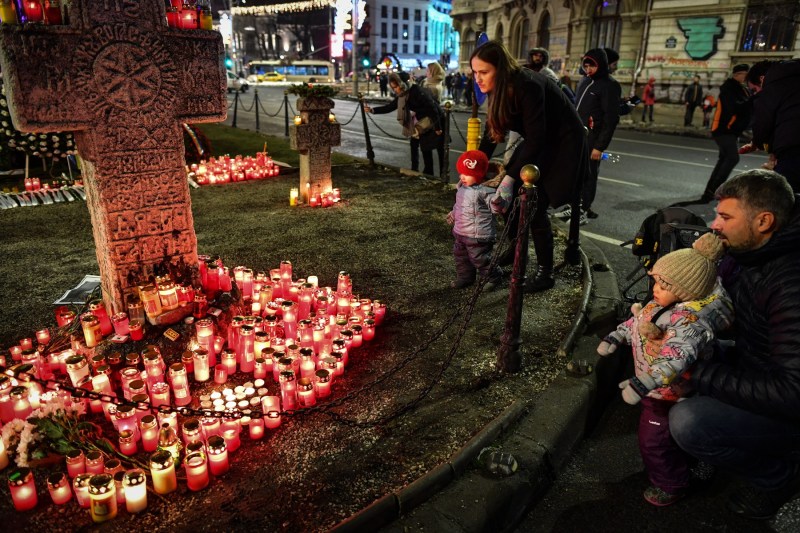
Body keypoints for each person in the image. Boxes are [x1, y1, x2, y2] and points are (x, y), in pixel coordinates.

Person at [669, 169, 800, 520]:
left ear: (764, 221)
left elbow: (792, 391)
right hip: (761, 369)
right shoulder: (752, 256)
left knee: (688, 421)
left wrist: (699, 375)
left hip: (788, 403)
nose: (714, 225)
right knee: (669, 361)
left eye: (725, 216)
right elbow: (748, 336)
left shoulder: (789, 281)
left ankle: (780, 477)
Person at [598, 232, 733, 506]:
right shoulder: (663, 304)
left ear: (685, 291)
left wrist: (644, 381)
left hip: (664, 392)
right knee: (670, 436)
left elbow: (676, 357)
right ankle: (690, 462)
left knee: (653, 442)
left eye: (663, 283)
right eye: (655, 281)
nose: (655, 288)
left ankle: (670, 484)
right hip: (659, 388)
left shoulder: (688, 324)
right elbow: (640, 323)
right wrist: (617, 335)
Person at [472, 40, 588, 291]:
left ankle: (545, 273)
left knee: (534, 203)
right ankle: (517, 252)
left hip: (562, 142)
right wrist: (474, 166)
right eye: (475, 72)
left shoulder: (528, 84)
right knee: (510, 200)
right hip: (542, 140)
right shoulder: (500, 87)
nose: (478, 79)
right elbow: (494, 132)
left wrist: (510, 178)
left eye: (483, 72)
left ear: (500, 69)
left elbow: (538, 138)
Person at [446, 150, 515, 289]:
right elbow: (459, 205)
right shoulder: (462, 187)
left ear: (478, 175)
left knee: (480, 259)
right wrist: (454, 213)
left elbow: (495, 208)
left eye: (467, 174)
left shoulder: (485, 191)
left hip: (479, 235)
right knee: (461, 257)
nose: (462, 177)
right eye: (461, 173)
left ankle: (494, 277)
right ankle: (465, 277)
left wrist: (497, 201)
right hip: (461, 231)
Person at [365, 72, 445, 176]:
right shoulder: (403, 95)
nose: (394, 90)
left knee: (438, 149)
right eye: (393, 88)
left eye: (395, 87)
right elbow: (390, 107)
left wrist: (438, 128)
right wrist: (372, 110)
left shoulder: (417, 91)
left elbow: (432, 108)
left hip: (435, 120)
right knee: (423, 147)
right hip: (421, 122)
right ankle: (423, 172)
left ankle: (441, 175)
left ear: (402, 84)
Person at [572, 48, 620, 221]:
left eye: (592, 66)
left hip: (593, 139)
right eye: (586, 66)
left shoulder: (609, 85)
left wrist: (600, 147)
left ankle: (584, 208)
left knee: (589, 175)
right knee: (576, 173)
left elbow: (610, 119)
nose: (588, 69)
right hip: (578, 137)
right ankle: (575, 205)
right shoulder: (585, 81)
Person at [741, 59, 800, 192]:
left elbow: (764, 122)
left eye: (754, 90)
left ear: (762, 79)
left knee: (784, 197)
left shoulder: (773, 85)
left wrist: (757, 142)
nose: (755, 94)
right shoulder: (793, 79)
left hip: (793, 151)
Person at [700, 64, 752, 202]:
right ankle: (714, 191)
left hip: (731, 130)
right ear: (738, 74)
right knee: (732, 158)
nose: (746, 78)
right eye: (745, 75)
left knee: (724, 159)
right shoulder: (729, 88)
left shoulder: (741, 89)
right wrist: (752, 101)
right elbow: (735, 108)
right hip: (723, 129)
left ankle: (710, 192)